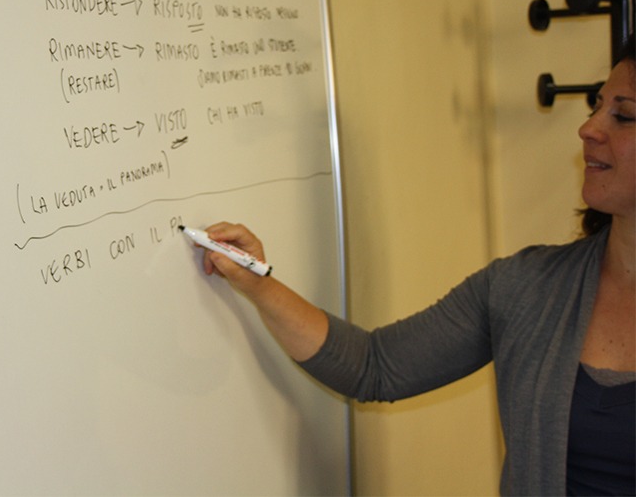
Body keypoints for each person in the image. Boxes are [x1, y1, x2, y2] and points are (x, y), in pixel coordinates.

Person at [198, 38, 634, 496]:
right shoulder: (527, 288)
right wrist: (258, 282)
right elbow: (373, 366)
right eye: (596, 107)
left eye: (622, 116)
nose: (588, 129)